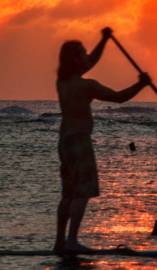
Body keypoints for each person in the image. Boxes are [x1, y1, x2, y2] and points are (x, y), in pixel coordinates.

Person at [54, 27, 150, 253]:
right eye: (83, 53)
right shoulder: (87, 86)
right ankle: (71, 242)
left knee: (68, 193)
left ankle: (60, 242)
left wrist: (104, 40)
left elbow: (89, 62)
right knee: (82, 192)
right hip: (80, 143)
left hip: (64, 144)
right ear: (75, 59)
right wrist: (141, 84)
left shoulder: (62, 82)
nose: (87, 57)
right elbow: (118, 98)